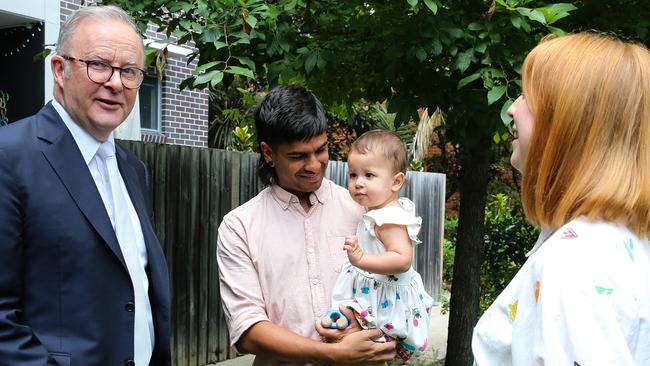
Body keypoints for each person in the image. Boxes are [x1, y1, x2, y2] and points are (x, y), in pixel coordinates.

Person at [0, 6, 170, 366]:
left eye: (129, 71)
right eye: (98, 64)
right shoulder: (10, 156)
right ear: (59, 70)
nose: (115, 82)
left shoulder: (133, 169)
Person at [472, 32, 650, 365]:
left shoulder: (574, 263)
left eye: (528, 96)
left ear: (567, 123)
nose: (511, 108)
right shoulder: (622, 243)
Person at [217, 85, 396, 365]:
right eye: (298, 156)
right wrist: (333, 354)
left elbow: (398, 285)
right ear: (268, 152)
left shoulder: (364, 209)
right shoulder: (239, 226)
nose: (314, 165)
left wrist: (389, 334)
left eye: (320, 150)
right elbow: (248, 330)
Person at [324, 130, 434, 363]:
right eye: (353, 175)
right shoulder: (376, 211)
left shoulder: (389, 218)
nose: (358, 183)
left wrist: (362, 259)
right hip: (375, 288)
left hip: (387, 293)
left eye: (369, 175)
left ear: (396, 182)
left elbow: (402, 260)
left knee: (369, 344)